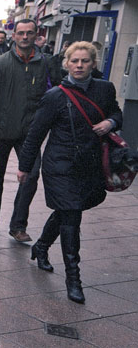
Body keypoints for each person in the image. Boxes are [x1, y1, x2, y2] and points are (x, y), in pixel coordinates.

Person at [18, 41, 122, 304]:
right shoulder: (55, 96)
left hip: (89, 164)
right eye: (74, 61)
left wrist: (110, 122)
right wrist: (25, 167)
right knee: (72, 217)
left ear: (93, 64)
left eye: (84, 61)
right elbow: (35, 134)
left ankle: (41, 247)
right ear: (66, 63)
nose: (79, 65)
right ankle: (73, 279)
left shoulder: (105, 89)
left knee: (68, 210)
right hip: (60, 166)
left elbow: (116, 113)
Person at [0, 19, 61, 239]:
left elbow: (56, 95)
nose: (24, 37)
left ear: (35, 35)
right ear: (14, 36)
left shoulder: (46, 64)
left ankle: (18, 226)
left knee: (30, 177)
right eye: (20, 33)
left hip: (30, 133)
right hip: (1, 130)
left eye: (29, 33)